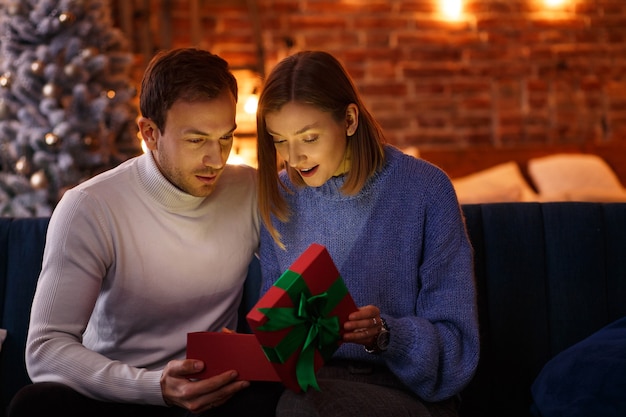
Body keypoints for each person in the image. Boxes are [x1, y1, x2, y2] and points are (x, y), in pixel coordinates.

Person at [8, 48, 282, 417]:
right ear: (150, 133)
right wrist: (154, 387)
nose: (216, 160)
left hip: (213, 395)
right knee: (34, 406)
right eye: (196, 140)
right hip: (117, 394)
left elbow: (298, 272)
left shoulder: (249, 188)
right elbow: (44, 349)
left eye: (225, 138)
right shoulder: (89, 206)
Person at [255, 50, 479, 417]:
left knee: (306, 410)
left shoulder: (426, 189)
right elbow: (279, 332)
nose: (293, 158)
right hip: (309, 387)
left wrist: (387, 335)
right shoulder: (281, 194)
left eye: (308, 138)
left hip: (406, 391)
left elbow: (456, 350)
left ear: (349, 119)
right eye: (280, 140)